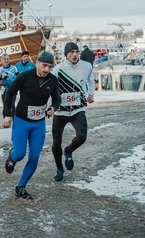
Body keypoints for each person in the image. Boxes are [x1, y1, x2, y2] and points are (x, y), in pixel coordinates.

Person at [3, 51, 60, 199]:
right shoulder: (24, 77)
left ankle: (21, 187)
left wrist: (53, 108)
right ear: (37, 63)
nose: (46, 69)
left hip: (39, 124)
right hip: (22, 121)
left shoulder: (53, 80)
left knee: (34, 157)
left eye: (50, 66)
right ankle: (12, 156)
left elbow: (57, 99)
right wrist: (7, 115)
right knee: (20, 154)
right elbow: (10, 93)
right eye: (44, 65)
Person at [50, 42, 95, 182]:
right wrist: (49, 106)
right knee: (56, 143)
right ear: (66, 54)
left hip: (78, 108)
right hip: (61, 111)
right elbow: (51, 89)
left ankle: (68, 151)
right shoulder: (58, 69)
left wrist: (91, 94)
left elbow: (90, 80)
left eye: (77, 52)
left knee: (82, 137)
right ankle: (59, 169)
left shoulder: (87, 66)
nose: (75, 54)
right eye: (72, 52)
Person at [0, 54, 19, 118]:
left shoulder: (14, 68)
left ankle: (14, 121)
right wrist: (2, 77)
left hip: (13, 88)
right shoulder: (0, 69)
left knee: (12, 104)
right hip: (4, 88)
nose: (6, 60)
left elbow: (18, 77)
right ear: (2, 60)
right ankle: (5, 120)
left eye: (7, 59)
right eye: (5, 59)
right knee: (5, 105)